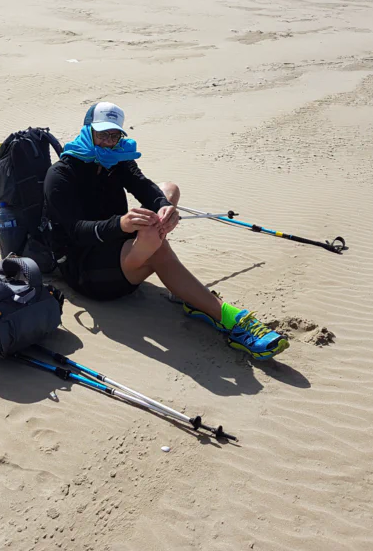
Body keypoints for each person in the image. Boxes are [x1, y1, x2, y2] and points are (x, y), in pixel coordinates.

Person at [42, 102, 289, 360]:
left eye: (114, 135)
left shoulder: (117, 160)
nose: (108, 142)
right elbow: (75, 232)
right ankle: (229, 318)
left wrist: (164, 208)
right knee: (155, 241)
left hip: (118, 244)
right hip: (87, 271)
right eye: (102, 134)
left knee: (168, 191)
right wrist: (121, 224)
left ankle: (189, 293)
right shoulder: (61, 174)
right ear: (87, 130)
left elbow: (145, 186)